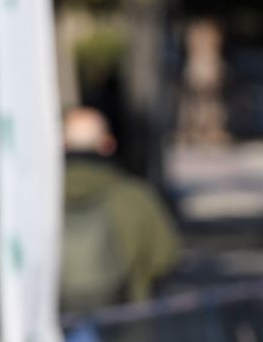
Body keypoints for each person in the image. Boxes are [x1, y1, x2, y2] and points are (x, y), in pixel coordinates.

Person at [60, 106, 180, 312]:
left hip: (56, 331)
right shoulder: (135, 198)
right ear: (108, 145)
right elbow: (164, 258)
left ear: (63, 146)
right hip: (123, 327)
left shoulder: (35, 203)